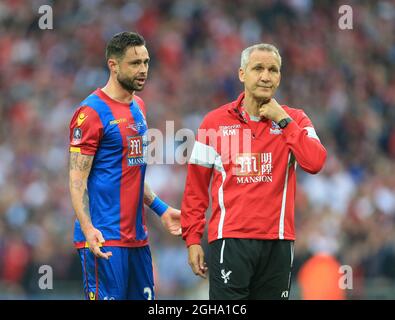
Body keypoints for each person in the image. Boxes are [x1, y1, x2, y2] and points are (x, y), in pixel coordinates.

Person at [181, 43, 327, 300]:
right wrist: (193, 240)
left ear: (280, 76)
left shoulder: (296, 120)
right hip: (230, 240)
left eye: (273, 70)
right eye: (258, 68)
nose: (265, 76)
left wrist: (283, 120)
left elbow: (315, 162)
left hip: (278, 241)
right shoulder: (214, 122)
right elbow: (195, 189)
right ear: (242, 74)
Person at [68, 31, 181, 300]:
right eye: (135, 63)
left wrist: (161, 209)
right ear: (113, 65)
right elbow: (76, 180)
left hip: (137, 240)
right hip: (103, 239)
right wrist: (87, 228)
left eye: (146, 62)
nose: (143, 70)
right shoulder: (90, 113)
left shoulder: (138, 106)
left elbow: (131, 171)